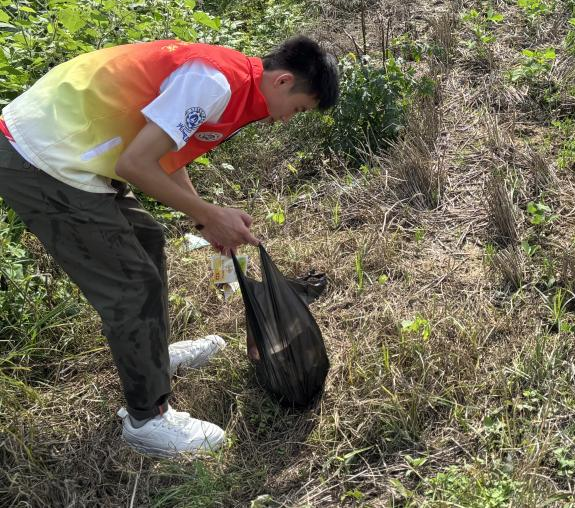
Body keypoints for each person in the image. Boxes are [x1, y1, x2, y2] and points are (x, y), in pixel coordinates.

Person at [0, 36, 338, 455]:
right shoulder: (214, 84)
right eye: (299, 109)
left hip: (71, 152)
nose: (289, 119)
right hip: (42, 158)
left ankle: (153, 355)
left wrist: (203, 216)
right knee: (132, 284)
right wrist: (212, 216)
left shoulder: (234, 86)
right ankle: (147, 420)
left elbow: (163, 155)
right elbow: (135, 165)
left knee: (147, 240)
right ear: (284, 81)